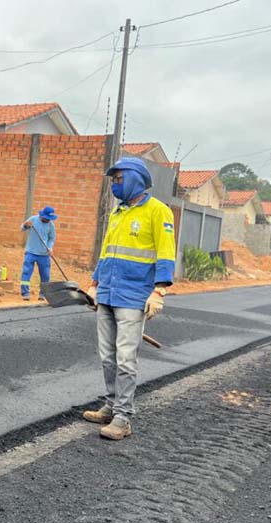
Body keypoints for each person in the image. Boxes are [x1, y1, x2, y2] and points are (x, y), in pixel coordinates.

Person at [82, 157, 175, 440]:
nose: (114, 184)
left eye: (118, 179)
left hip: (134, 296)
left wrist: (159, 291)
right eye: (113, 179)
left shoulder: (158, 211)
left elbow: (166, 252)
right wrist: (94, 283)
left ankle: (122, 418)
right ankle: (110, 405)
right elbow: (107, 250)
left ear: (135, 179)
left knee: (125, 359)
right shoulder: (118, 212)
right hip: (108, 293)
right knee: (107, 357)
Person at [19, 206, 57, 301]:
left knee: (45, 275)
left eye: (49, 218)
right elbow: (22, 228)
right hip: (31, 252)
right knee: (26, 272)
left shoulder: (51, 225)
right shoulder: (33, 219)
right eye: (46, 218)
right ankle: (25, 293)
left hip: (44, 254)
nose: (48, 220)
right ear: (42, 215)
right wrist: (26, 225)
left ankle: (43, 294)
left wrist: (50, 248)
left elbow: (51, 238)